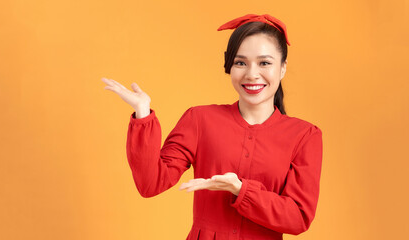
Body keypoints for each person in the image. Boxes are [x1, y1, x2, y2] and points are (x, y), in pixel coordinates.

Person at [102, 13, 323, 240]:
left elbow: (298, 217)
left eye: (264, 63)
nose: (252, 74)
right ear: (229, 66)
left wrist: (241, 190)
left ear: (282, 68)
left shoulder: (304, 136)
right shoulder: (200, 120)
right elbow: (150, 184)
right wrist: (142, 113)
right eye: (240, 63)